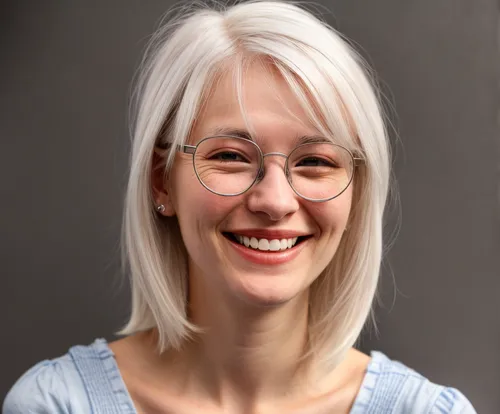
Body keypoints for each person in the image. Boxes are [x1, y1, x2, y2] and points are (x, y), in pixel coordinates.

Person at [3, 1, 476, 413]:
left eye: (314, 161)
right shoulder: (56, 405)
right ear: (160, 180)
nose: (274, 201)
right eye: (230, 156)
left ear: (357, 191)